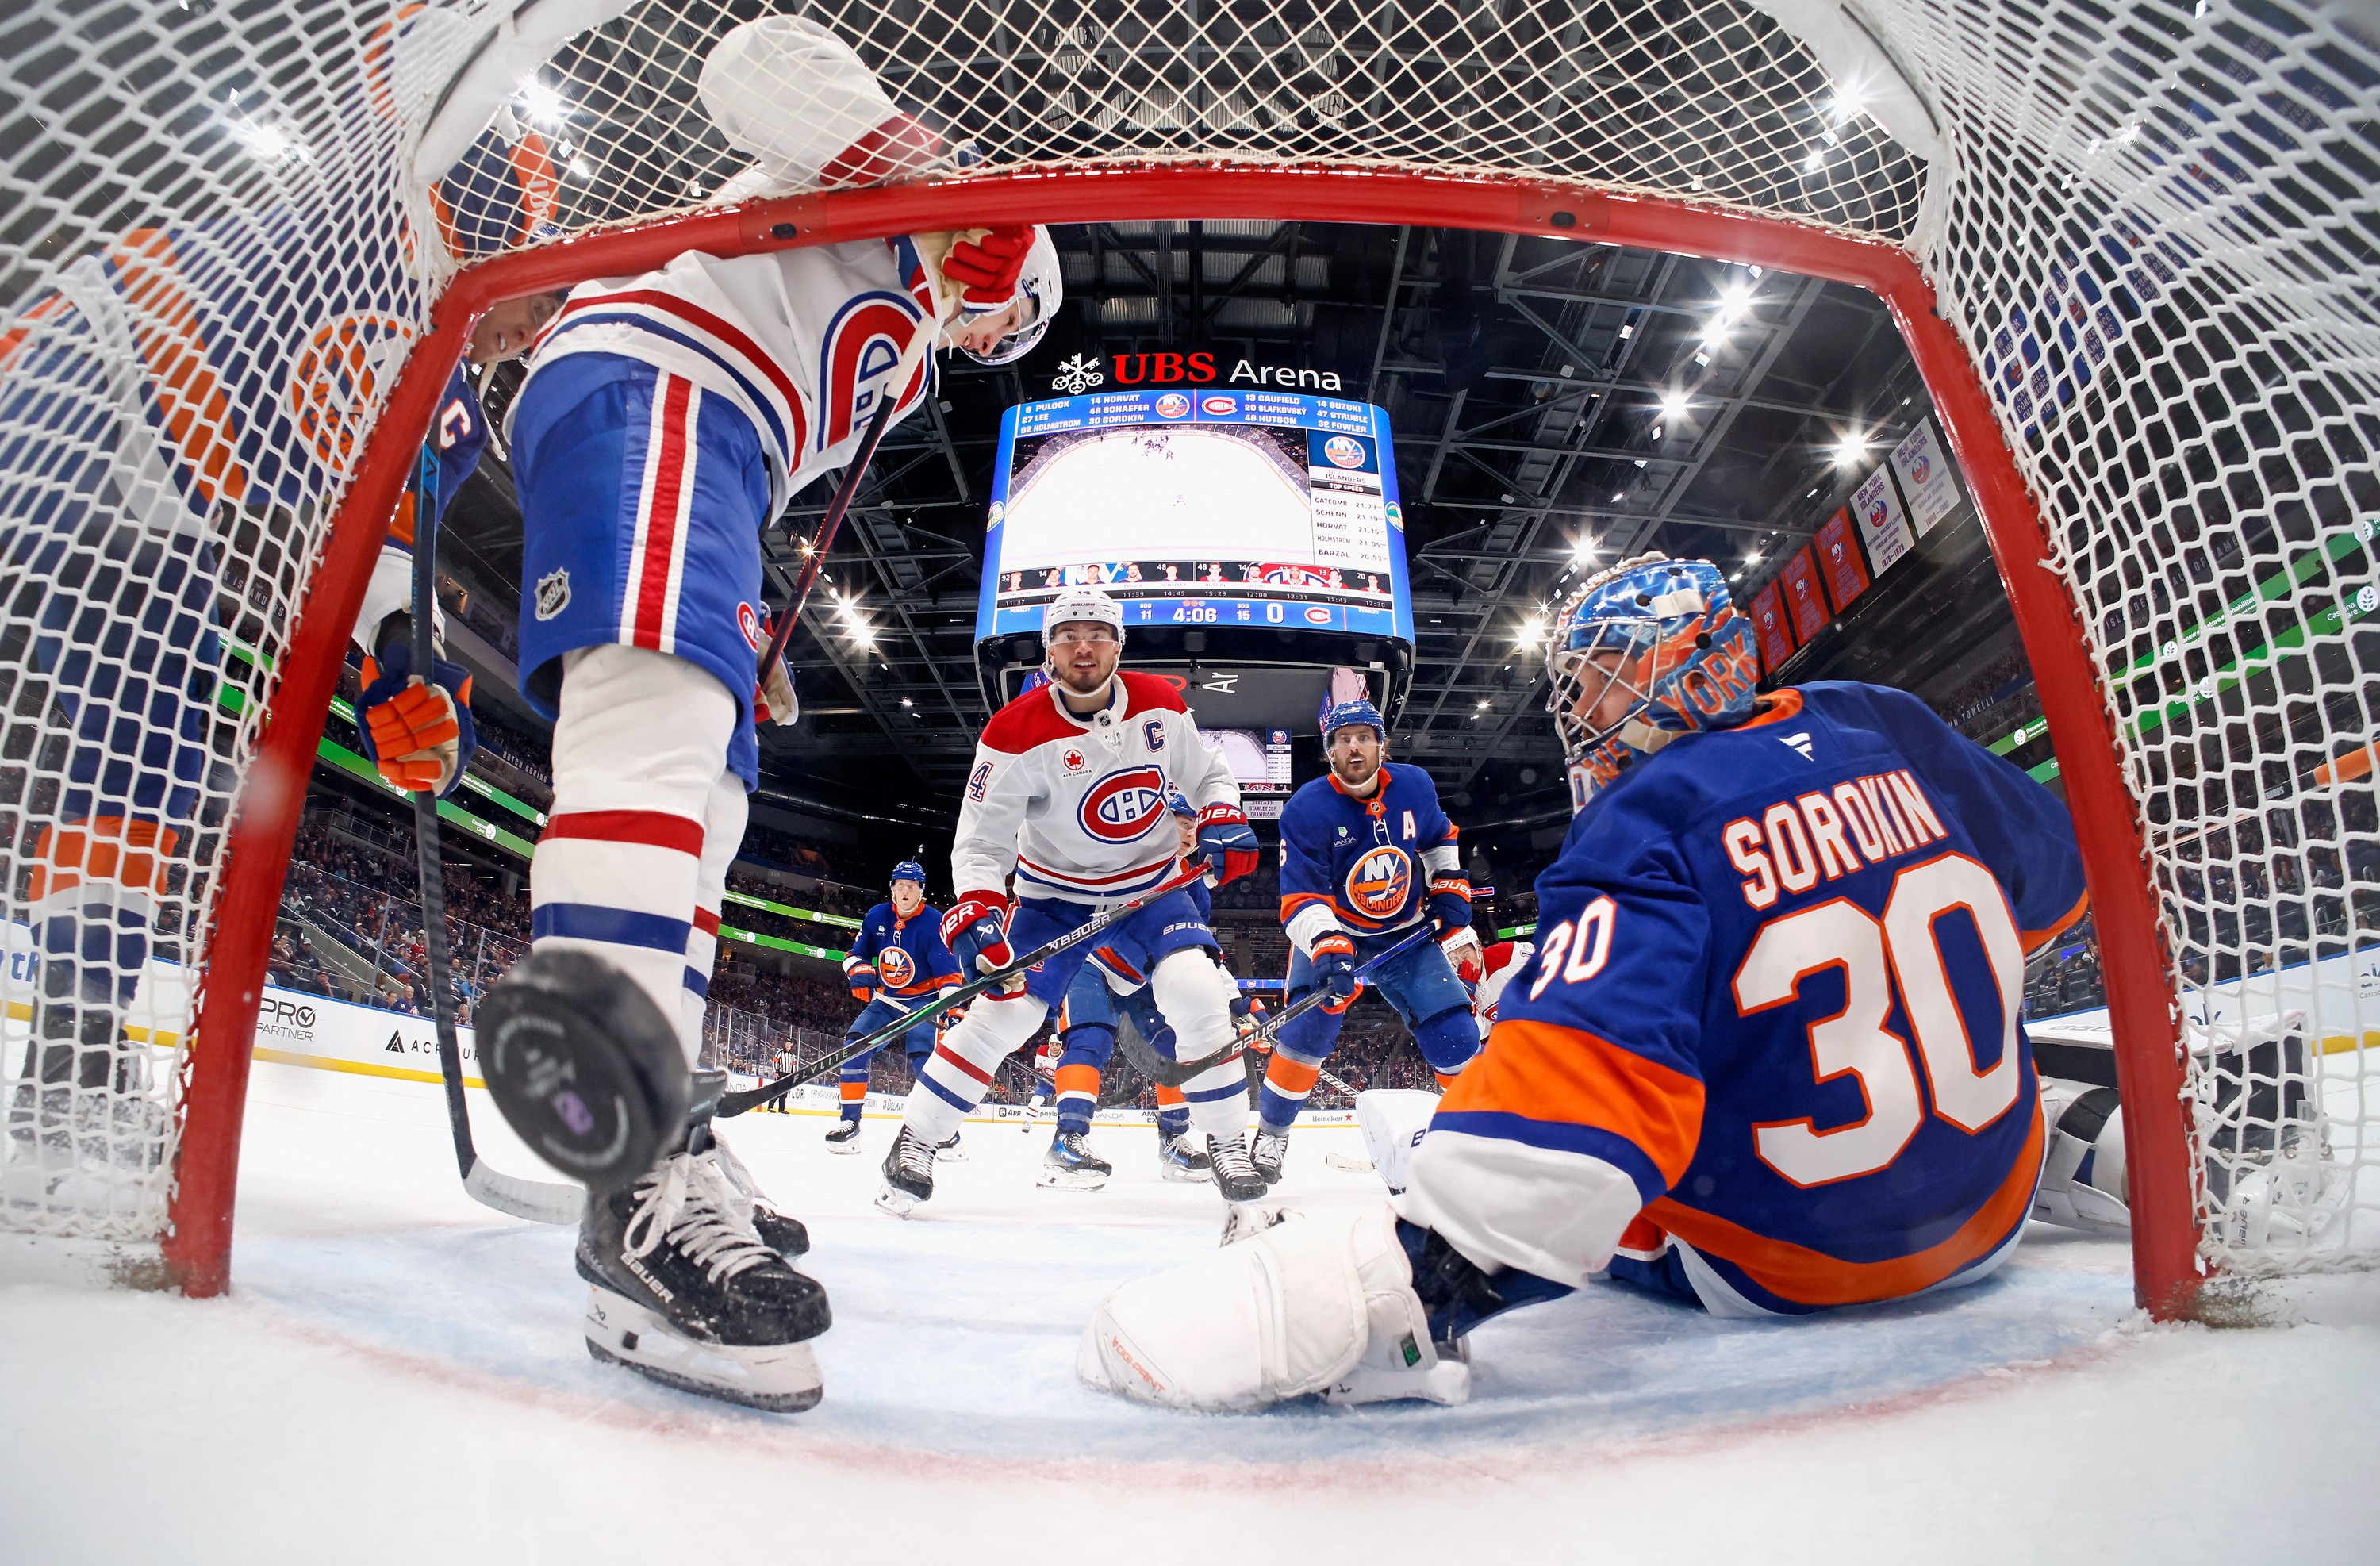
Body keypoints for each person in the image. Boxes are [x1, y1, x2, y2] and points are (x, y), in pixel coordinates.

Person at [1077, 551, 2113, 1412]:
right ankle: (2071, 1129)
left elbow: (1555, 1156)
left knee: (1505, 1122)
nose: (1586, 709)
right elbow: (2050, 883)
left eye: (1609, 675)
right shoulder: (1882, 720)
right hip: (1998, 1193)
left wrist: (1404, 1276)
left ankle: (1377, 1270)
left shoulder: (1642, 823)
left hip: (1790, 1258)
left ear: (1692, 663)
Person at [470, 16, 1061, 1413]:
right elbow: (751, 55)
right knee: (657, 746)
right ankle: (624, 1172)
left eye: (996, 328)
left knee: (714, 802)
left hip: (709, 438)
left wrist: (749, 596)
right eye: (998, 304)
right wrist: (929, 178)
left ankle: (656, 1114)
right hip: (662, 386)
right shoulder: (894, 203)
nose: (981, 330)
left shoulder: (908, 346)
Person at [0, 27, 562, 1183]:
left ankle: (72, 1058)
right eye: (543, 294)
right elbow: (395, 64)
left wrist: (405, 666)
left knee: (137, 760)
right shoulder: (383, 227)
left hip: (149, 507)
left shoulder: (445, 394)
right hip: (91, 402)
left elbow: (374, 554)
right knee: (124, 746)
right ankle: (71, 1061)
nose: (532, 329)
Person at [874, 584, 1263, 1215]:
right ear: (1048, 651)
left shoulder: (1162, 704)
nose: (1084, 647)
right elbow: (980, 843)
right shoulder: (1012, 732)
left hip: (1150, 889)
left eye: (1098, 634)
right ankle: (915, 1140)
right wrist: (978, 904)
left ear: (1119, 644)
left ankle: (1227, 1143)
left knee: (1196, 993)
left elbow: (1211, 773)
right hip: (1056, 897)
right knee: (1006, 1014)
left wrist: (1222, 809)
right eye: (1067, 636)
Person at [1252, 682, 1481, 1187]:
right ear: (1329, 750)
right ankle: (1271, 1133)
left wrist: (1448, 883)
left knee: (1455, 1032)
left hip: (1407, 937)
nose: (1354, 747)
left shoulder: (1415, 786)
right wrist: (1330, 947)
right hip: (1337, 938)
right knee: (1303, 1038)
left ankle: (1477, 1130)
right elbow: (1299, 900)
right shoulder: (1306, 809)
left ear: (1382, 745)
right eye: (1343, 739)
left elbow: (1440, 837)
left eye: (1364, 737)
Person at [1040, 803, 1226, 1188]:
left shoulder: (1194, 886)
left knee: (1173, 1047)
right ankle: (1066, 1142)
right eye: (1181, 824)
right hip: (1092, 966)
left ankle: (1173, 1140)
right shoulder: (1122, 857)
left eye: (1195, 827)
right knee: (1090, 1040)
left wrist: (1235, 1000)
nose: (1191, 833)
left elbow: (1190, 953)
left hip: (1144, 975)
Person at [825, 862, 959, 1151]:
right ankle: (850, 1123)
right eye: (901, 885)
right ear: (892, 888)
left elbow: (949, 975)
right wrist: (857, 970)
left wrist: (951, 1008)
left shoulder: (935, 922)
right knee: (854, 1048)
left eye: (912, 886)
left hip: (925, 1001)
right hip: (887, 1000)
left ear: (921, 891)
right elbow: (853, 955)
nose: (906, 891)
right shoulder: (877, 916)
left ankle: (944, 1132)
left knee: (925, 1064)